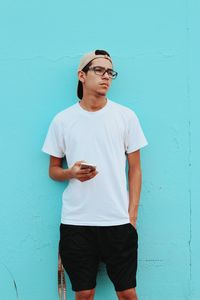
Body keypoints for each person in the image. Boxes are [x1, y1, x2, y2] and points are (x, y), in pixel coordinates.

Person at [42, 49, 148, 300]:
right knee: (84, 294)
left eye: (110, 72)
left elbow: (135, 169)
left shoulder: (125, 116)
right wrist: (71, 173)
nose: (106, 76)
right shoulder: (63, 120)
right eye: (98, 70)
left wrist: (131, 217)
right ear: (82, 75)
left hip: (117, 222)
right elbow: (53, 171)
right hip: (76, 223)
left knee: (127, 293)